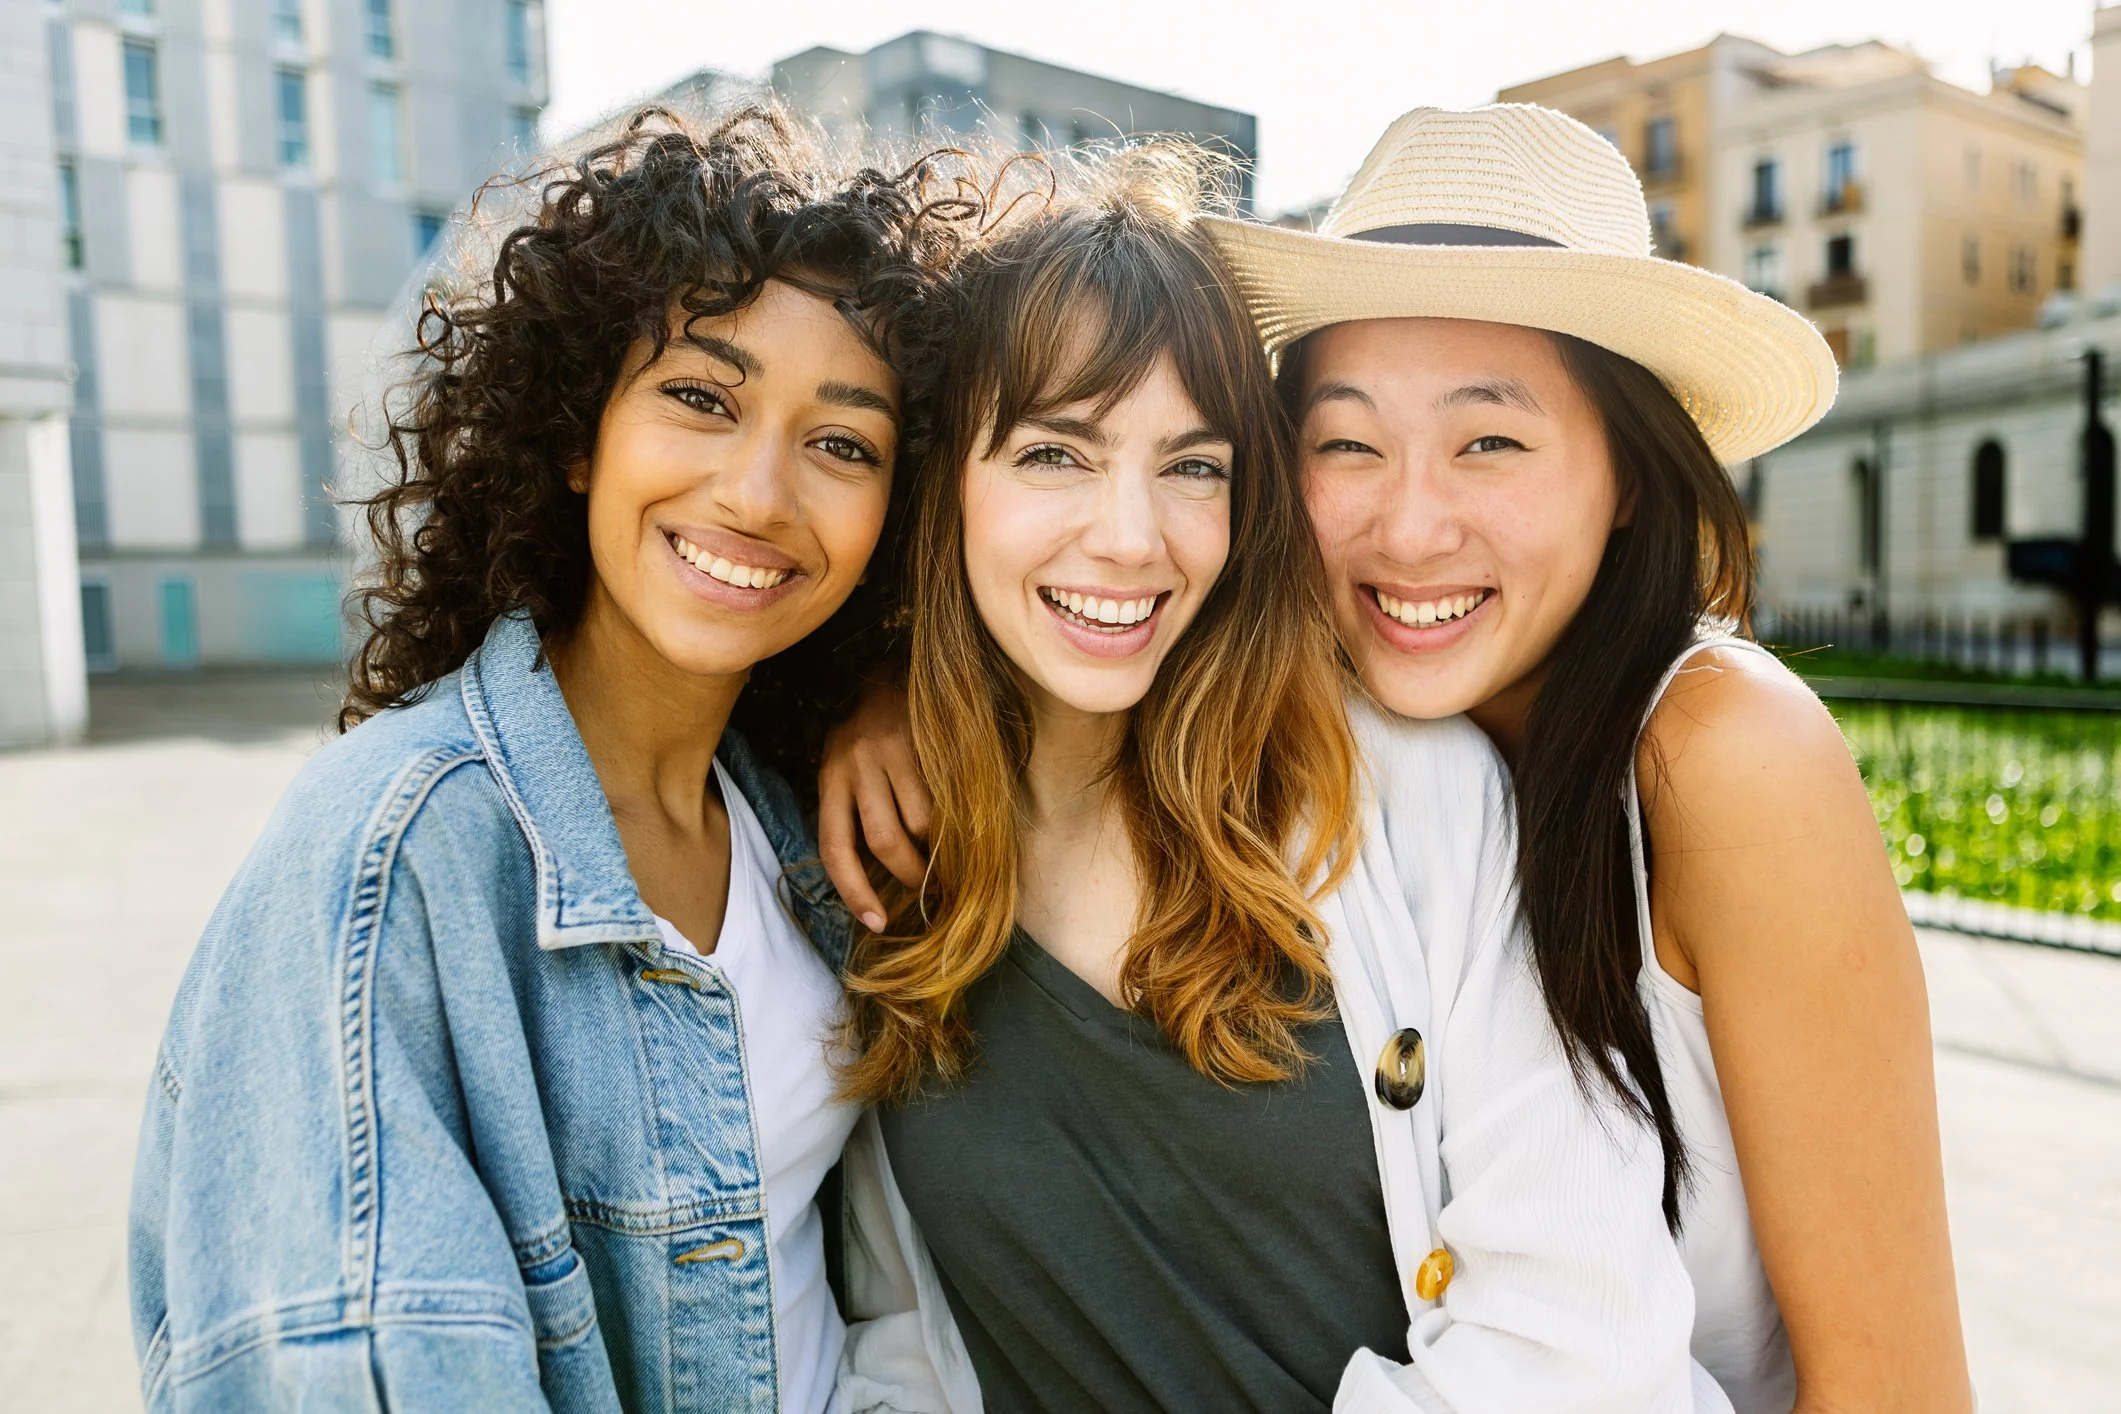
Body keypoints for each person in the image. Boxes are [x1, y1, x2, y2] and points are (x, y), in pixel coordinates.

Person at [825, 107, 1972, 1414]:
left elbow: (1895, 1387)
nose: (1411, 524)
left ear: (1632, 473)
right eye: (1348, 442)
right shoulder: (1313, 711)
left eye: (1492, 439)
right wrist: (887, 689)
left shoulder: (1718, 753)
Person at [126, 107, 971, 1412]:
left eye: (843, 442)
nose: (760, 491)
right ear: (582, 433)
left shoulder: (798, 816)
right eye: (702, 397)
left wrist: (893, 684)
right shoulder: (383, 869)